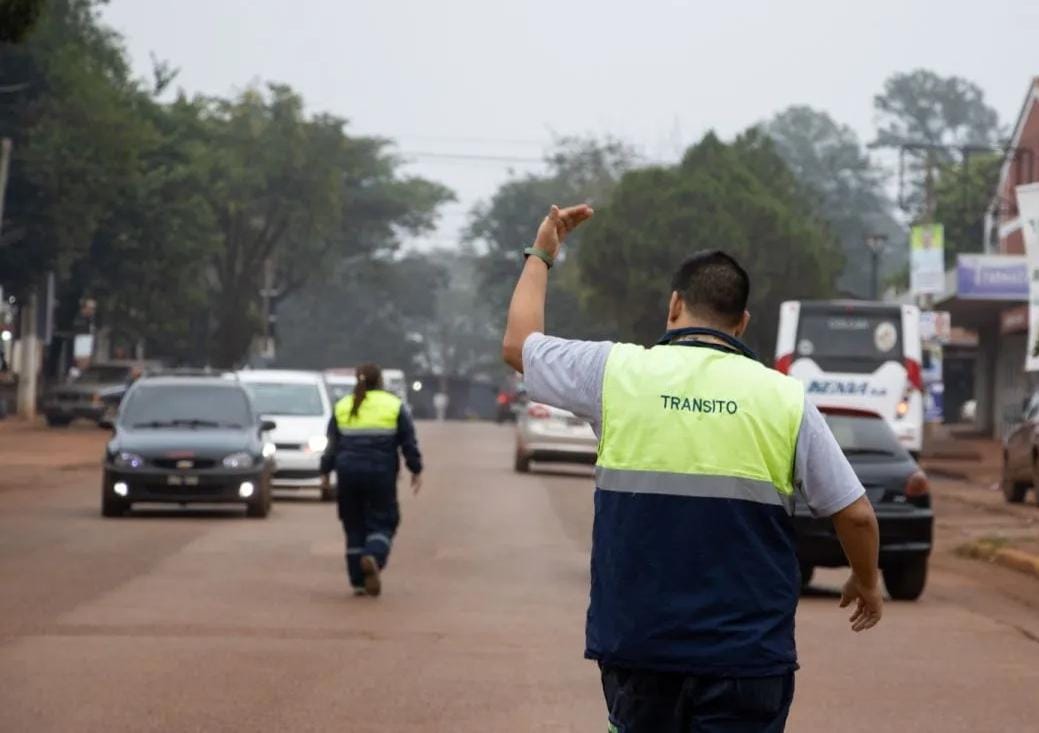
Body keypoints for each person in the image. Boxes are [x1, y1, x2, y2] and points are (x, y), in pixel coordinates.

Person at [502, 205, 882, 732]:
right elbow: (858, 516)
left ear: (674, 304)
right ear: (742, 322)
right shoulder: (785, 398)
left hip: (640, 651)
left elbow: (519, 346)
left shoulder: (614, 372)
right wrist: (866, 580)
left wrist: (542, 253)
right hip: (747, 661)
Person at [320, 363, 423, 597]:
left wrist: (325, 473)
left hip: (347, 474)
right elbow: (408, 442)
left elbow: (331, 446)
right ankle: (373, 555)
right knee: (384, 521)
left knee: (353, 523)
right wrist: (415, 469)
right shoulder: (393, 405)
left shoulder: (343, 406)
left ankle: (358, 580)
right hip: (380, 474)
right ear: (381, 382)